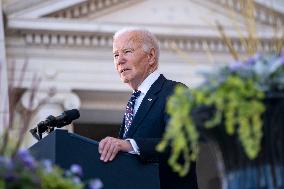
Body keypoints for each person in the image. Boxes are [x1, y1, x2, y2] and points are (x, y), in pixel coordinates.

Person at [98, 27, 198, 189]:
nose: (120, 60)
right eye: (116, 55)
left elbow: (182, 144)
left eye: (127, 51)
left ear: (150, 56)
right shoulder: (134, 102)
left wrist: (130, 145)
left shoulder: (174, 91)